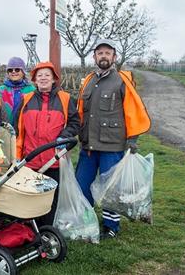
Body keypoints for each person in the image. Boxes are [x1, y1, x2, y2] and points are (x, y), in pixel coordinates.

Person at [75, 39, 151, 239]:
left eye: (107, 53)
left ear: (114, 57)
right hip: (88, 146)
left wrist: (132, 140)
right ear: (94, 57)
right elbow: (81, 112)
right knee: (82, 186)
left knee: (111, 190)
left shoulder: (122, 81)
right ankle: (86, 221)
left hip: (113, 146)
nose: (103, 56)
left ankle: (111, 227)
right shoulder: (88, 80)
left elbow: (133, 112)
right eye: (100, 53)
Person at [14, 61, 80, 226]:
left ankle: (47, 229)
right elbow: (17, 129)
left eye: (47, 75)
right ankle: (30, 227)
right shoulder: (26, 99)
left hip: (54, 160)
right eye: (39, 75)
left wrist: (64, 137)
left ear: (53, 79)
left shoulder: (65, 99)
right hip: (30, 160)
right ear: (35, 80)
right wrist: (16, 155)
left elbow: (75, 123)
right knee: (30, 196)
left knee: (51, 196)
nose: (43, 78)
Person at [0, 57, 35, 127]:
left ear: (23, 72)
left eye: (17, 69)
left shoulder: (32, 90)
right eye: (10, 70)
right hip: (5, 131)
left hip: (25, 130)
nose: (13, 71)